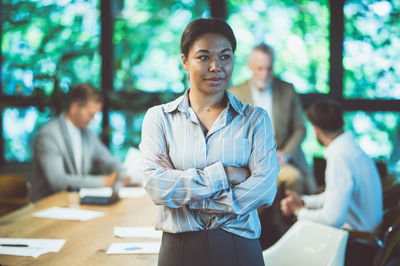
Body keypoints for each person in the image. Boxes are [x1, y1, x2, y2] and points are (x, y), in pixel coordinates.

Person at [140, 18, 279, 266]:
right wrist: (225, 175)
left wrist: (186, 193)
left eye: (225, 57)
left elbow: (265, 190)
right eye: (203, 57)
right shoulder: (159, 118)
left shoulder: (256, 120)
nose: (216, 66)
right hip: (178, 250)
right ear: (184, 61)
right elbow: (156, 186)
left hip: (239, 249)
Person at [280, 99, 383, 232]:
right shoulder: (350, 149)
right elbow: (335, 196)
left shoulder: (339, 156)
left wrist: (298, 212)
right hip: (369, 235)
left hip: (357, 241)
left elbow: (333, 219)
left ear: (316, 130)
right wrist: (304, 201)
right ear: (342, 122)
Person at [230, 43, 316, 195]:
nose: (264, 74)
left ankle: (292, 218)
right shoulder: (234, 93)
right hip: (247, 163)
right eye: (260, 69)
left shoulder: (287, 90)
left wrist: (285, 154)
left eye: (269, 69)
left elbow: (300, 128)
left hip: (280, 159)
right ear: (250, 66)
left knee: (294, 178)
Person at [30, 83, 129, 202]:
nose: (93, 119)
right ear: (74, 107)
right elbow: (58, 181)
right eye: (90, 114)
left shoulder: (87, 134)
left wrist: (121, 173)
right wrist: (104, 181)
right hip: (47, 205)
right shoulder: (49, 135)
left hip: (75, 203)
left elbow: (107, 160)